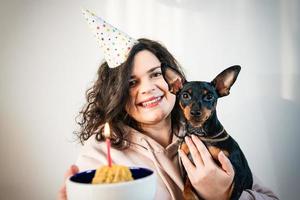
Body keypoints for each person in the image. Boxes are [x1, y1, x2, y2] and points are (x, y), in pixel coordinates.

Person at [58, 38, 279, 200]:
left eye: (155, 74)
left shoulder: (210, 137)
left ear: (173, 82)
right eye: (131, 82)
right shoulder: (100, 154)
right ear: (116, 94)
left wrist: (226, 196)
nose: (148, 88)